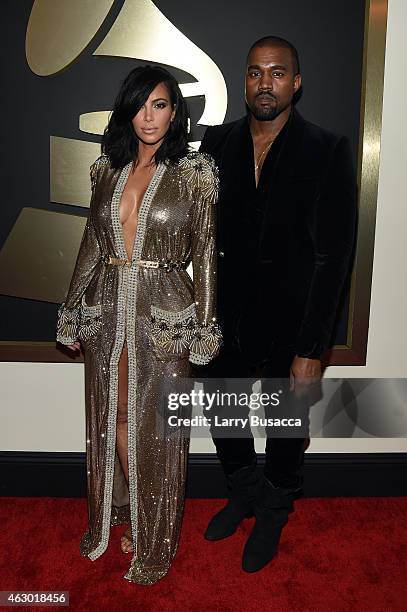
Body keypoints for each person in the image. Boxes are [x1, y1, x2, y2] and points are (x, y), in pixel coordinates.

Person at [56, 65, 221, 585]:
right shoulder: (107, 169)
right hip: (109, 309)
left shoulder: (195, 174)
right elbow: (90, 244)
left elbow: (207, 256)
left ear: (176, 113)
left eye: (161, 105)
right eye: (141, 104)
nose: (149, 116)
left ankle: (156, 537)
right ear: (128, 109)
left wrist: (205, 326)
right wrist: (71, 307)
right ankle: (126, 513)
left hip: (166, 313)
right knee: (118, 418)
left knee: (161, 431)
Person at [199, 36, 357, 572]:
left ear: (296, 82)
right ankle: (243, 493)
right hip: (222, 323)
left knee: (287, 431)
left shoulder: (327, 148)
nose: (264, 83)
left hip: (293, 327)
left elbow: (334, 257)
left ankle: (273, 510)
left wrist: (314, 347)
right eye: (254, 73)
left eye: (277, 73)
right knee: (225, 418)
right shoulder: (214, 145)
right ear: (244, 81)